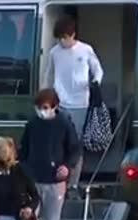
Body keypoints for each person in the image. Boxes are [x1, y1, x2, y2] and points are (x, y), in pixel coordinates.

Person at [19, 89, 80, 220]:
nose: (41, 111)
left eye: (45, 108)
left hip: (55, 183)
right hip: (34, 181)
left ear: (54, 106)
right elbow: (24, 151)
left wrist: (67, 167)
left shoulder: (63, 124)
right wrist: (26, 172)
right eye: (39, 108)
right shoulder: (32, 124)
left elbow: (74, 150)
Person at [45, 15, 104, 191]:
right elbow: (48, 75)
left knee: (76, 145)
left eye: (65, 37)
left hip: (80, 104)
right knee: (58, 143)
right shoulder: (54, 52)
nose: (62, 41)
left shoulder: (85, 50)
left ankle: (74, 184)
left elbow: (98, 69)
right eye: (59, 38)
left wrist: (95, 83)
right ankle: (59, 181)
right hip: (60, 103)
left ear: (72, 35)